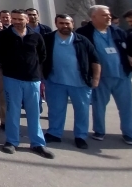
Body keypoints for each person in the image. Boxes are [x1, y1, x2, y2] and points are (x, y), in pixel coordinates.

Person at [0, 9, 53, 159]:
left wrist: (33, 69)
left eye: (20, 19)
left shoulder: (36, 36)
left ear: (27, 19)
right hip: (11, 78)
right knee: (13, 110)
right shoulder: (3, 36)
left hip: (33, 79)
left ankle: (38, 143)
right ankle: (12, 141)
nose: (17, 22)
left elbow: (42, 55)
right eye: (14, 19)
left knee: (34, 111)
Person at [76, 5, 132, 145]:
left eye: (109, 14)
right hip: (100, 77)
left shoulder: (118, 31)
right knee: (99, 105)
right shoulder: (83, 33)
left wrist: (130, 57)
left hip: (122, 75)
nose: (109, 17)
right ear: (93, 17)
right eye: (104, 15)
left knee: (126, 106)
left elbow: (129, 49)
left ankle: (129, 133)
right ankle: (99, 131)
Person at [43, 15, 100, 150]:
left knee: (82, 111)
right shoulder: (48, 39)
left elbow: (95, 60)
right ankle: (54, 133)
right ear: (56, 24)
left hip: (80, 83)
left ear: (72, 24)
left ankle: (80, 136)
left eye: (67, 23)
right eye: (61, 23)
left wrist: (96, 79)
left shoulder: (82, 40)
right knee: (55, 110)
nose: (65, 26)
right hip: (55, 82)